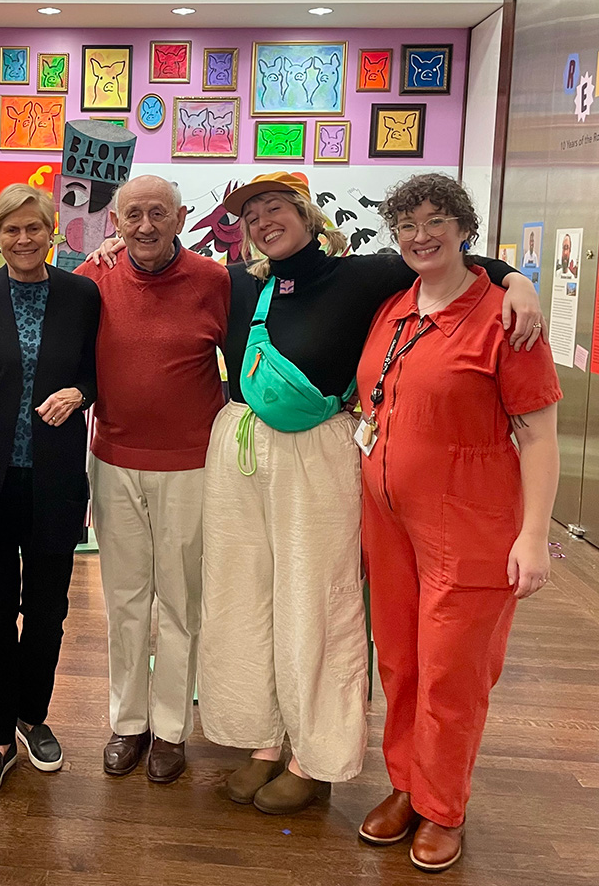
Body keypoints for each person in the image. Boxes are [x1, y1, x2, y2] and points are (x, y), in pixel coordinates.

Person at [197, 173, 543, 815]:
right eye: (253, 214)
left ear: (306, 214)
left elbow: (449, 260)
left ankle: (316, 753)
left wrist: (517, 279)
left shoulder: (363, 275)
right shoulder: (242, 283)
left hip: (320, 458)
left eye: (276, 207)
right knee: (246, 595)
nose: (265, 221)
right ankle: (265, 739)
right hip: (245, 454)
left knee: (317, 602)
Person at [356, 174, 560, 872]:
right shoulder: (393, 309)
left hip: (470, 521)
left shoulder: (507, 317)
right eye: (408, 224)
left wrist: (534, 535)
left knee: (453, 672)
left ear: (463, 227)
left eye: (436, 220)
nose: (421, 235)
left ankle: (443, 807)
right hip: (387, 521)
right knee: (402, 661)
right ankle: (407, 784)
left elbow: (538, 436)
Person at [79, 174, 230, 784]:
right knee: (125, 599)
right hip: (112, 459)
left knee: (180, 600)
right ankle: (128, 722)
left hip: (192, 465)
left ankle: (171, 729)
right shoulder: (93, 278)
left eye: (158, 214)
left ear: (181, 216)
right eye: (133, 214)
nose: (145, 226)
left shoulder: (217, 283)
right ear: (115, 222)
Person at [0, 184, 100, 798]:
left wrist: (81, 393)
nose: (23, 239)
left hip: (55, 480)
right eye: (10, 229)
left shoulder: (82, 295)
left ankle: (33, 717)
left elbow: (98, 366)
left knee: (47, 613)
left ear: (51, 232)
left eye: (33, 227)